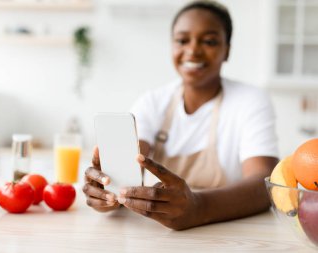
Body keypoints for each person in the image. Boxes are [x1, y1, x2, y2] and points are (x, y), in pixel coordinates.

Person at [83, 0, 279, 230]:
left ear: (227, 50)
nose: (193, 49)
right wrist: (109, 192)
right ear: (172, 46)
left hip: (228, 231)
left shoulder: (250, 101)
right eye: (182, 40)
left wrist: (199, 207)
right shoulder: (153, 102)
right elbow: (128, 168)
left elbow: (264, 183)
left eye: (209, 41)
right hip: (157, 234)